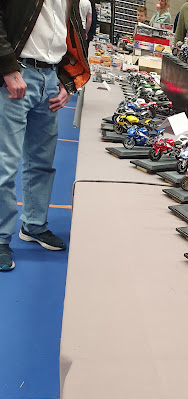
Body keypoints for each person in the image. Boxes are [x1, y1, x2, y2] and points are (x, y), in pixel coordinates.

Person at [0, 0, 90, 272]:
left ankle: (34, 224)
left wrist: (66, 80)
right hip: (18, 73)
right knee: (5, 164)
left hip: (50, 77)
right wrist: (7, 67)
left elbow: (69, 32)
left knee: (42, 162)